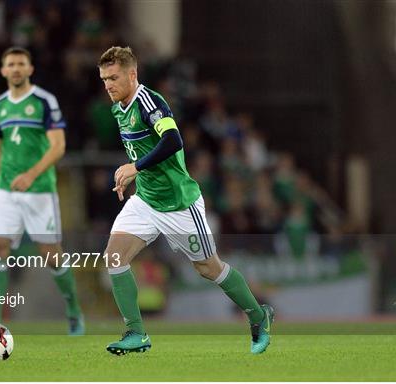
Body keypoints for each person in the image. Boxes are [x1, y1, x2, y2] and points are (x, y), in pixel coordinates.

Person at [97, 46, 273, 355]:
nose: (108, 85)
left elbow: (173, 140)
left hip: (179, 204)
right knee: (114, 257)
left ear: (132, 74)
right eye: (104, 79)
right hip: (146, 202)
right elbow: (143, 151)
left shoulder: (150, 103)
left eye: (113, 77)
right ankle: (136, 333)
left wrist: (134, 168)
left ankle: (259, 316)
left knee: (209, 268)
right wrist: (133, 176)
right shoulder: (118, 108)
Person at [0, 46, 84, 335]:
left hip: (39, 189)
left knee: (50, 254)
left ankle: (73, 308)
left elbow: (58, 146)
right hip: (5, 189)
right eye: (11, 64)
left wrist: (30, 175)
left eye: (21, 64)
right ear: (3, 70)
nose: (16, 68)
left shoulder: (43, 101)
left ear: (30, 69)